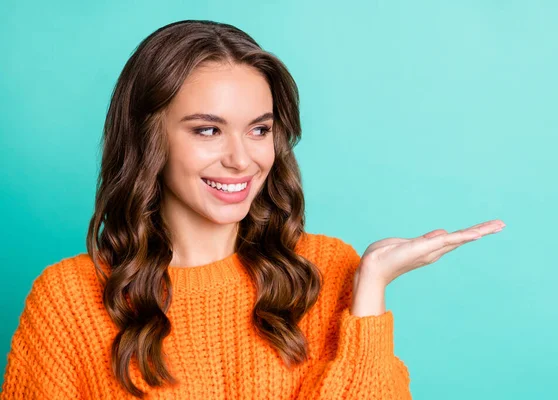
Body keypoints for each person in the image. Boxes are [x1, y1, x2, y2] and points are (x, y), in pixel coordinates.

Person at [0, 20, 505, 399]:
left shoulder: (327, 270)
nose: (242, 159)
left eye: (259, 129)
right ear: (148, 137)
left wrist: (370, 285)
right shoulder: (68, 300)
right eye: (207, 130)